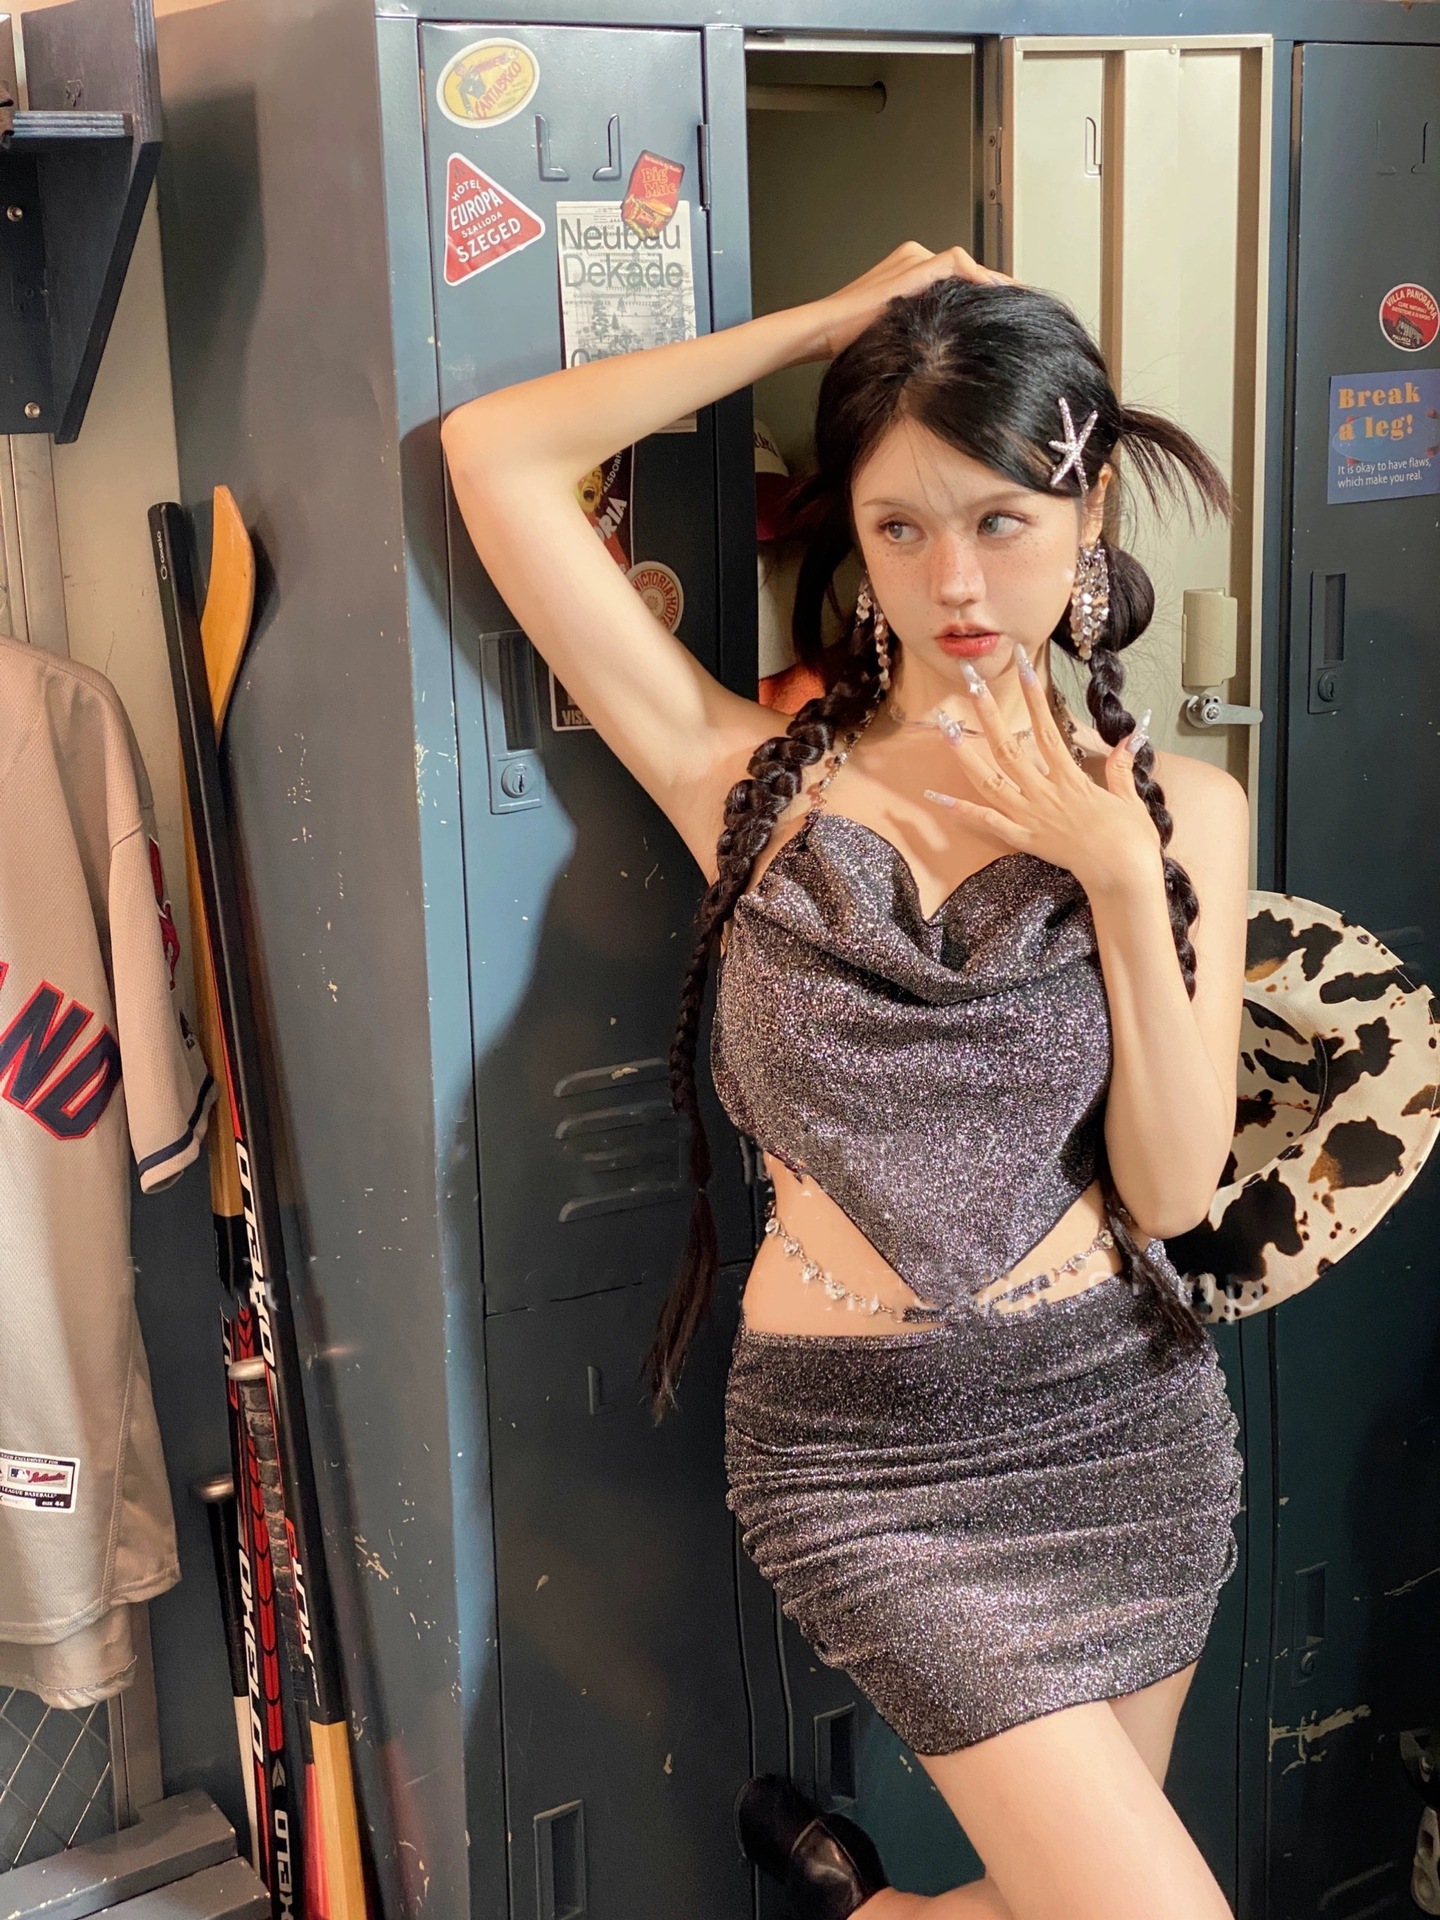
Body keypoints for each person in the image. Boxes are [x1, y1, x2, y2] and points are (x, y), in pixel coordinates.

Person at [441, 242, 1249, 1920]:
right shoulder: (740, 779)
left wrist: (1116, 873)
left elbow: (1175, 1191)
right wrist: (832, 324)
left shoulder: (1186, 817)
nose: (953, 580)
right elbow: (494, 456)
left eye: (1001, 521)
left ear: (1089, 517)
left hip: (1124, 1422)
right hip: (868, 1461)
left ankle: (858, 1905)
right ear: (856, 540)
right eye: (900, 526)